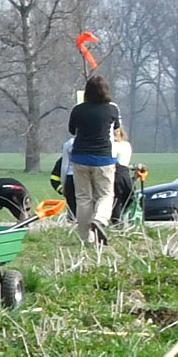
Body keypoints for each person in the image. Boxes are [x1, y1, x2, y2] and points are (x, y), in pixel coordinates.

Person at [63, 75, 121, 245]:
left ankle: (86, 239)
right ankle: (100, 219)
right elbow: (116, 128)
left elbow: (72, 130)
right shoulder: (112, 109)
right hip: (104, 158)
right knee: (105, 195)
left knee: (83, 198)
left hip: (80, 157)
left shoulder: (78, 109)